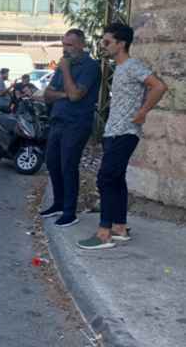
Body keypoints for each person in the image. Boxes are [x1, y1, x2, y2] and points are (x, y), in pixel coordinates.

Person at [77, 23, 168, 249]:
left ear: (121, 43)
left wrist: (143, 112)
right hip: (114, 131)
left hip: (125, 132)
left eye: (107, 41)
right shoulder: (120, 68)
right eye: (103, 41)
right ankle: (119, 227)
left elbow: (158, 87)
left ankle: (104, 234)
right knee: (116, 178)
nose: (103, 45)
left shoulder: (132, 65)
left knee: (105, 178)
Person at [40, 28, 102, 227]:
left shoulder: (90, 66)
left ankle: (69, 211)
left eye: (69, 45)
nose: (65, 49)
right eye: (63, 44)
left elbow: (76, 96)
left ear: (81, 45)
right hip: (58, 120)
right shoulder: (63, 65)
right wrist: (65, 93)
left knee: (68, 165)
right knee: (52, 162)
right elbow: (47, 94)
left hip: (76, 123)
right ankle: (58, 203)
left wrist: (66, 71)